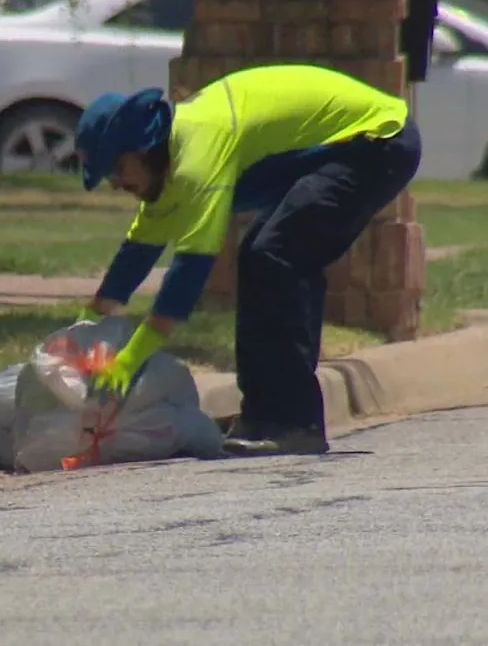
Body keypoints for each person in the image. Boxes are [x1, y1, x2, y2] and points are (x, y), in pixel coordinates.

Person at [74, 63, 422, 456]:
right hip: (346, 148)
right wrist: (83, 336)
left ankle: (293, 421)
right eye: (108, 177)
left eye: (118, 168)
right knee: (263, 256)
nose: (117, 184)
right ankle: (264, 415)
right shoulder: (167, 171)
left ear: (145, 145)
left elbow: (189, 272)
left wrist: (130, 359)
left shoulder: (196, 155)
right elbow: (135, 257)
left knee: (276, 256)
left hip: (377, 140)